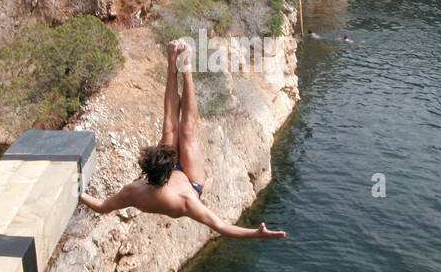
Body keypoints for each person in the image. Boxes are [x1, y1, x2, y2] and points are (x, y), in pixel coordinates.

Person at [80, 41, 287, 239]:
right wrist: (256, 233)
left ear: (145, 173)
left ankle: (173, 63)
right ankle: (186, 69)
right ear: (168, 169)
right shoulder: (186, 201)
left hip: (165, 179)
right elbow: (220, 226)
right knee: (187, 130)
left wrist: (77, 192)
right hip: (191, 180)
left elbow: (101, 207)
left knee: (170, 125)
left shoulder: (133, 192)